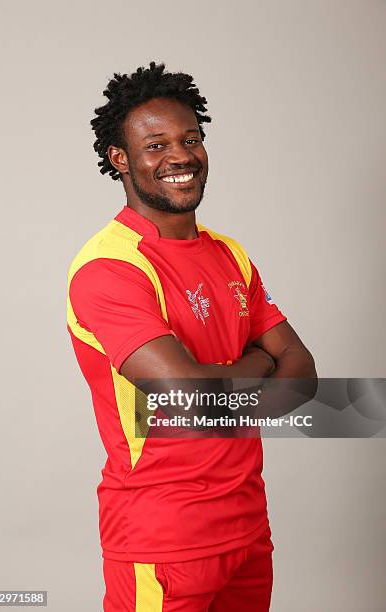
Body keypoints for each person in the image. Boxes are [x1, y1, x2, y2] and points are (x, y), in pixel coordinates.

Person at [67, 61, 317, 611]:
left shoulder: (230, 253)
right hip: (163, 539)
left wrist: (227, 386)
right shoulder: (110, 268)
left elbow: (303, 380)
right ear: (120, 160)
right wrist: (257, 362)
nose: (180, 156)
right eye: (154, 145)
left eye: (191, 139)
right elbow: (192, 402)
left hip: (249, 528)